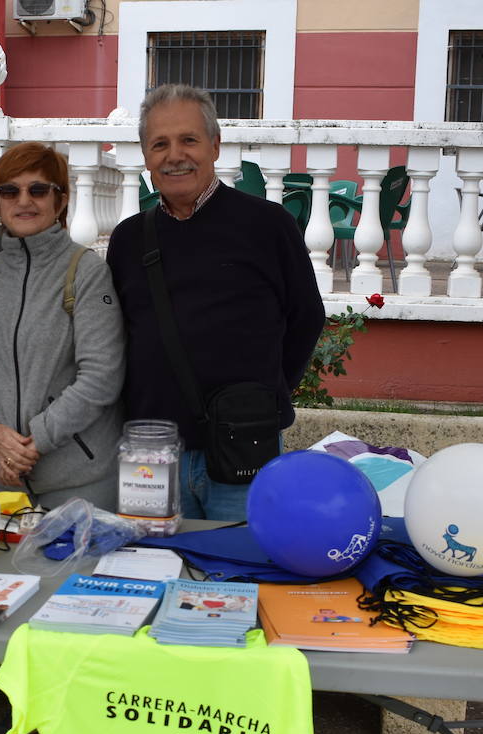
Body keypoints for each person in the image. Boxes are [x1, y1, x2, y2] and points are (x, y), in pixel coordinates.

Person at [106, 84, 325, 522]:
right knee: (151, 569)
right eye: (160, 144)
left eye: (189, 139)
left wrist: (264, 394)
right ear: (146, 158)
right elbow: (117, 335)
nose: (175, 155)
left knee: (237, 571)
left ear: (215, 145)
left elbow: (306, 318)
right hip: (151, 452)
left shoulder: (267, 225)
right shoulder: (128, 239)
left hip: (242, 443)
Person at [0, 142, 124, 511]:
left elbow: (101, 376)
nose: (23, 200)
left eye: (38, 189)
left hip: (78, 482)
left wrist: (31, 444)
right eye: (9, 191)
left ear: (60, 201)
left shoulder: (86, 272)